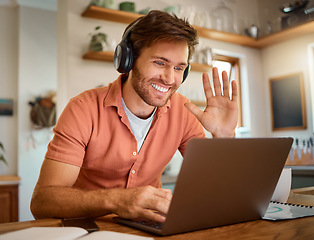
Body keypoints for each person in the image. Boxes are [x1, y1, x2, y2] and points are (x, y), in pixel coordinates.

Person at [30, 10, 238, 223]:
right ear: (128, 60)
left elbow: (218, 189)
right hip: (90, 230)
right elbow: (42, 202)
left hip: (150, 229)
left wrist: (223, 138)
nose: (169, 78)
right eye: (160, 63)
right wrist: (117, 200)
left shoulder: (183, 111)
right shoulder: (83, 109)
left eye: (178, 68)